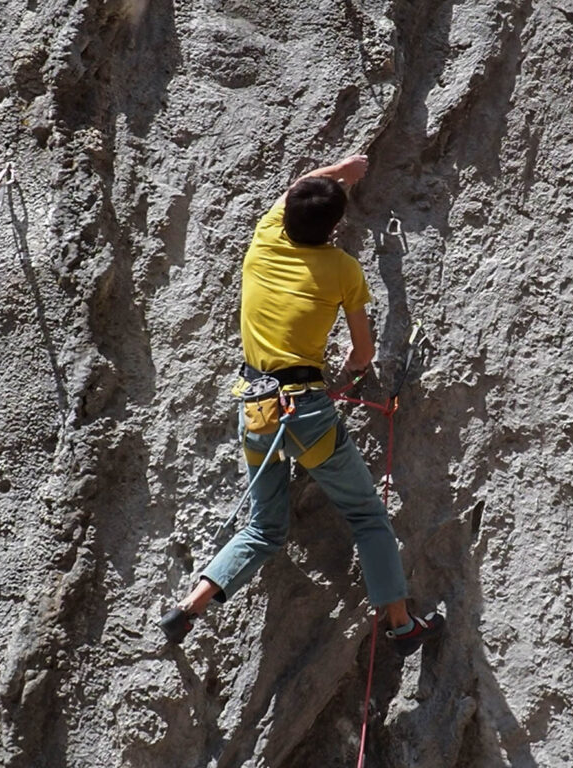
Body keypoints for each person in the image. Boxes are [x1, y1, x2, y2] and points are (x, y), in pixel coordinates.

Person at [159, 155, 444, 655]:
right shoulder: (342, 269)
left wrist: (343, 169)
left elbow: (300, 185)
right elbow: (363, 354)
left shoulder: (265, 239)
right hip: (307, 413)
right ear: (334, 229)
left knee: (264, 527)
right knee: (366, 515)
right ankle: (402, 626)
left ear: (287, 212)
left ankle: (189, 607)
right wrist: (350, 371)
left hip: (256, 409)